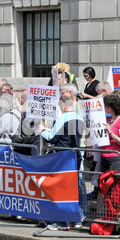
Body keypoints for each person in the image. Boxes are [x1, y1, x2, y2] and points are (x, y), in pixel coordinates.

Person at [39, 94, 84, 230]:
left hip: (62, 157)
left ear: (63, 105)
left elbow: (52, 138)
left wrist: (42, 132)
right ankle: (77, 220)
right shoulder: (79, 118)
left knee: (61, 189)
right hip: (74, 155)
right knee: (72, 189)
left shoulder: (62, 118)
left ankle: (62, 223)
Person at [100, 94, 120, 177]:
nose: (104, 107)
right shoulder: (107, 119)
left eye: (106, 105)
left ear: (111, 107)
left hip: (116, 157)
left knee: (115, 185)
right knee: (105, 184)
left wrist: (110, 133)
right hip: (104, 156)